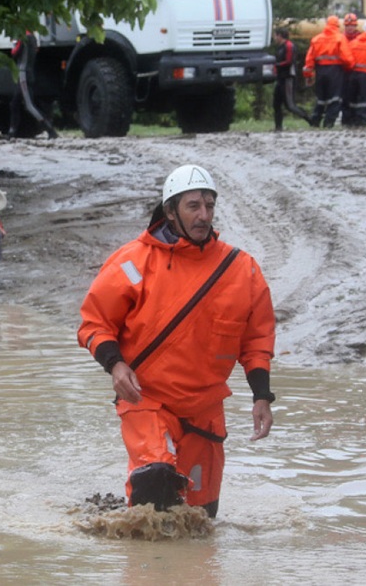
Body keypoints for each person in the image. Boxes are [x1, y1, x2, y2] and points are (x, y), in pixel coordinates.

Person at [78, 165, 276, 519]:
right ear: (170, 212)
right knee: (155, 484)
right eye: (193, 206)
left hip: (205, 411)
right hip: (146, 400)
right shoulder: (132, 261)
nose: (204, 215)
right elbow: (94, 323)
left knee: (200, 522)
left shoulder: (242, 269)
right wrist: (115, 364)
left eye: (209, 206)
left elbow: (257, 339)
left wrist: (262, 395)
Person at [303, 15, 354, 128]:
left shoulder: (316, 39)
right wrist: (350, 68)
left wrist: (308, 75)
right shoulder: (340, 38)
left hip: (320, 71)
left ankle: (315, 121)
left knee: (321, 98)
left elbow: (309, 60)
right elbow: (347, 58)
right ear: (337, 25)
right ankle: (328, 123)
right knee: (335, 98)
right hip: (335, 71)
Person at [6, 31, 58, 139]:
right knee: (14, 104)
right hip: (28, 73)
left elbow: (14, 53)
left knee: (29, 106)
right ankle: (12, 132)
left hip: (23, 74)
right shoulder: (33, 38)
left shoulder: (24, 37)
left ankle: (50, 129)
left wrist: (14, 44)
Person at [271, 28, 310, 131]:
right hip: (280, 78)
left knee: (290, 105)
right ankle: (278, 127)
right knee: (276, 104)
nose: (274, 38)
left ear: (280, 36)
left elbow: (289, 61)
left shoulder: (289, 46)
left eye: (275, 35)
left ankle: (310, 120)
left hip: (288, 78)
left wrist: (276, 65)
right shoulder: (280, 47)